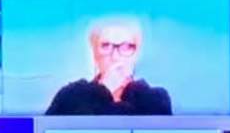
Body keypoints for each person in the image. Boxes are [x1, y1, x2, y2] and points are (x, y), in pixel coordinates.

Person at [44, 15, 174, 117]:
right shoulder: (71, 96)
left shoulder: (154, 99)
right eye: (106, 46)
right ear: (94, 52)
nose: (115, 56)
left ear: (136, 54)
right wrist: (104, 89)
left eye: (126, 46)